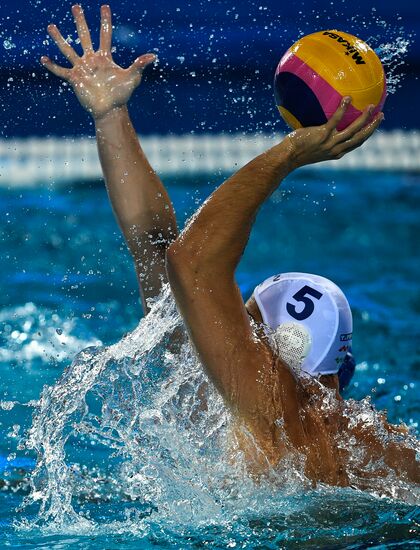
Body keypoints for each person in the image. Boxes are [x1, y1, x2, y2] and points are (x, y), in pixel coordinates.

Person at [42, 5, 418, 488]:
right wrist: (111, 115)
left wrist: (290, 153)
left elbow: (191, 263)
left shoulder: (260, 408)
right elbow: (159, 252)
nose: (225, 320)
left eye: (244, 317)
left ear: (264, 346)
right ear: (343, 368)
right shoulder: (381, 449)